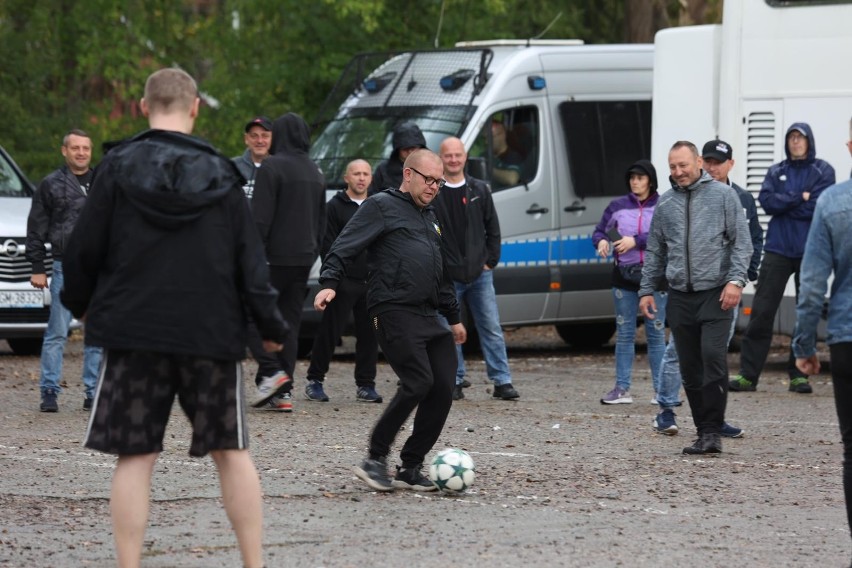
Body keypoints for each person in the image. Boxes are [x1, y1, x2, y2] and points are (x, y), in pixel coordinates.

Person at [59, 67, 288, 568]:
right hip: (210, 332)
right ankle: (255, 564)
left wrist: (83, 307)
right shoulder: (226, 177)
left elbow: (81, 252)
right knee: (231, 452)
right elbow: (250, 264)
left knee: (135, 456)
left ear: (143, 107)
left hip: (134, 331)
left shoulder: (115, 169)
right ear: (195, 108)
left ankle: (128, 564)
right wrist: (271, 330)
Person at [314, 149, 466, 492]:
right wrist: (329, 283)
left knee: (443, 386)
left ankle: (410, 466)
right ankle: (375, 458)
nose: (434, 187)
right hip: (393, 309)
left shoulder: (430, 217)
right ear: (408, 174)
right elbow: (344, 245)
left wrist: (454, 317)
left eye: (439, 182)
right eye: (428, 179)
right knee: (418, 381)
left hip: (429, 316)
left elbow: (440, 273)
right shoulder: (380, 205)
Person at [639, 141, 752, 455]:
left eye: (683, 166)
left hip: (716, 295)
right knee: (689, 367)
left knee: (713, 358)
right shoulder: (665, 203)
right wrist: (646, 290)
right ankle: (703, 432)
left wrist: (735, 281)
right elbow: (655, 251)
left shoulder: (724, 196)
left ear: (698, 162)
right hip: (680, 297)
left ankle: (714, 431)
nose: (677, 172)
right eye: (672, 167)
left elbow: (742, 243)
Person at [730, 122, 835, 394]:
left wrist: (787, 202)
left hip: (810, 250)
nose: (796, 142)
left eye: (800, 138)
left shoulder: (823, 170)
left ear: (809, 141)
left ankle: (799, 375)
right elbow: (768, 202)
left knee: (805, 314)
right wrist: (799, 197)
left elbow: (818, 206)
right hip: (777, 250)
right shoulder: (776, 170)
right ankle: (748, 376)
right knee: (762, 313)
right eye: (792, 138)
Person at [792, 117, 852, 566]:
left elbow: (811, 285)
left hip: (848, 336)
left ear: (850, 145)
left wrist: (804, 345)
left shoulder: (833, 202)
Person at [433, 137, 520, 401]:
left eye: (458, 155)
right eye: (448, 156)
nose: (454, 160)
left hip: (480, 274)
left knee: (491, 327)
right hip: (447, 276)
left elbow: (492, 228)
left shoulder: (479, 189)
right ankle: (455, 379)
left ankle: (502, 381)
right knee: (449, 330)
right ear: (441, 158)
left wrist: (490, 261)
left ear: (465, 156)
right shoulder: (434, 191)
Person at [252, 112, 327, 412]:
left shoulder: (271, 167)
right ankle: (282, 391)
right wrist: (311, 254)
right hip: (302, 261)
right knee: (289, 324)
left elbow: (260, 220)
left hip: (272, 260)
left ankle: (271, 374)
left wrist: (253, 256)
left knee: (252, 316)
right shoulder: (316, 171)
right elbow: (322, 223)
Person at [25, 129, 103, 413]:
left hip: (98, 268)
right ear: (64, 151)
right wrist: (37, 268)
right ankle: (49, 390)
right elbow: (35, 229)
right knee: (57, 332)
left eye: (86, 148)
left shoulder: (103, 182)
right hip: (64, 266)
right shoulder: (50, 185)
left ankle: (93, 392)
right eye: (75, 148)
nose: (81, 153)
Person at [304, 159, 381, 403]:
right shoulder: (334, 207)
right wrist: (333, 278)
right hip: (343, 280)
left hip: (371, 281)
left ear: (371, 178)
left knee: (370, 335)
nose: (361, 178)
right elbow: (327, 245)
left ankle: (366, 385)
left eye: (365, 174)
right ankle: (315, 380)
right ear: (346, 178)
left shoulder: (378, 205)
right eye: (356, 173)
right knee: (330, 331)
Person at [592, 160, 666, 405]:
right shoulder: (617, 206)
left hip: (655, 278)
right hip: (623, 278)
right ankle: (621, 389)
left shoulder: (664, 205)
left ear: (650, 181)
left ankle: (661, 391)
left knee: (655, 335)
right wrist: (602, 241)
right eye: (632, 177)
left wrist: (635, 241)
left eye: (641, 178)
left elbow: (665, 235)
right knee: (624, 334)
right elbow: (600, 231)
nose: (635, 181)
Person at [368, 121, 427, 195]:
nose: (409, 152)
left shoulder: (432, 168)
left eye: (413, 148)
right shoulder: (383, 170)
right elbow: (372, 197)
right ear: (398, 149)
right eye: (405, 148)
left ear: (420, 147)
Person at [231, 116, 272, 199]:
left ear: (273, 139)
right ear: (246, 139)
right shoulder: (232, 167)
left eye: (265, 136)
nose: (260, 141)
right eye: (254, 136)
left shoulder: (281, 170)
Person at [490, 121, 523, 189]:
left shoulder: (513, 156)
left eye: (490, 138)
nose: (486, 142)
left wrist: (488, 170)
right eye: (484, 138)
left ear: (502, 135)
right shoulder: (485, 155)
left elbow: (512, 179)